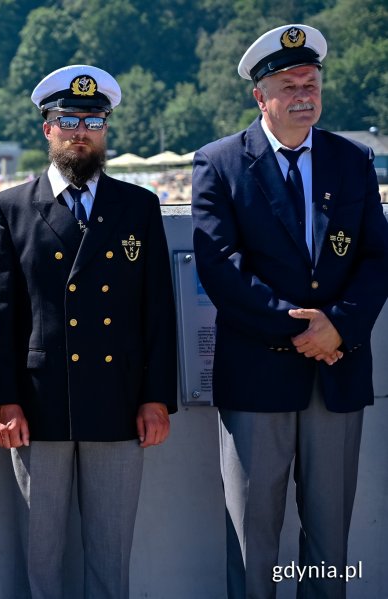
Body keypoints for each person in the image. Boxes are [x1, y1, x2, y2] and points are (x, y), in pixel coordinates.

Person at [192, 24, 388, 599]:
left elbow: (377, 257)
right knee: (256, 543)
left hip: (337, 371)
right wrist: (302, 328)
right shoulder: (220, 163)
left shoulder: (352, 160)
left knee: (330, 544)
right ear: (260, 97)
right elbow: (220, 267)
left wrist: (340, 328)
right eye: (288, 85)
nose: (304, 95)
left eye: (312, 83)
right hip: (257, 379)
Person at [0, 65, 177, 599]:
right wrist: (3, 402)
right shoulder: (10, 208)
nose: (80, 131)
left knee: (111, 560)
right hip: (39, 407)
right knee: (41, 558)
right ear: (47, 128)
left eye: (93, 120)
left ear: (105, 128)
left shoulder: (137, 206)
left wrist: (157, 397)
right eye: (69, 119)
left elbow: (157, 309)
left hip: (119, 401)